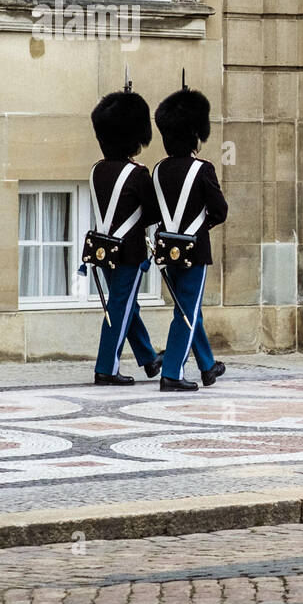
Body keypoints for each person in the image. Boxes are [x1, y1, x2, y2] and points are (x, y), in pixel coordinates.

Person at [151, 86, 228, 392]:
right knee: (186, 310)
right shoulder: (203, 169)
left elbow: (153, 211)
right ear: (194, 135)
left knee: (186, 307)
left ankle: (207, 366)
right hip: (194, 251)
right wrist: (199, 226)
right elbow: (220, 211)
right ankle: (171, 373)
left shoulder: (158, 170)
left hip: (167, 248)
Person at [88, 89, 164, 386]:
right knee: (120, 307)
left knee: (125, 304)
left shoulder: (97, 170)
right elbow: (154, 213)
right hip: (129, 253)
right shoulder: (138, 173)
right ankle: (106, 367)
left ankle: (148, 358)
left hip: (102, 249)